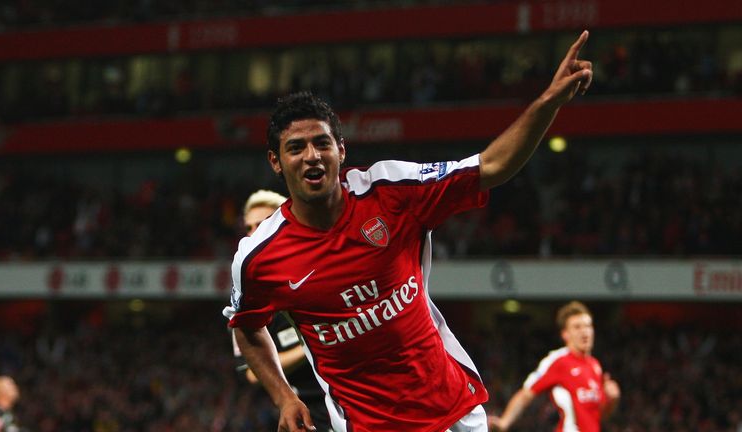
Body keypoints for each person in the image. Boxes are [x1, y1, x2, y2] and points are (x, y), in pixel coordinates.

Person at [223, 30, 594, 432]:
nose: (311, 156)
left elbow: (491, 166)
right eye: (296, 148)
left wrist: (548, 102)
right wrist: (284, 397)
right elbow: (247, 326)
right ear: (276, 162)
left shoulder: (391, 191)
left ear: (341, 150)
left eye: (322, 143)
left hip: (453, 413)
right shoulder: (259, 256)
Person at [233, 189, 332, 432]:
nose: (254, 233)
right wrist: (311, 343)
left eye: (263, 224)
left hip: (358, 405)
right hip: (310, 417)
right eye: (249, 227)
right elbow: (253, 374)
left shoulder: (323, 273)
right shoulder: (250, 299)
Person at [488, 301, 620, 432]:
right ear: (565, 334)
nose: (584, 332)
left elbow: (599, 416)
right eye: (577, 327)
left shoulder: (595, 365)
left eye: (588, 326)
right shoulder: (558, 361)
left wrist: (612, 399)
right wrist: (504, 421)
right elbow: (525, 394)